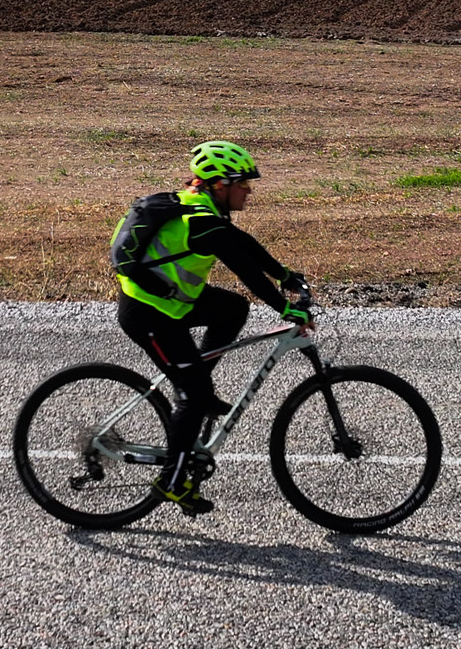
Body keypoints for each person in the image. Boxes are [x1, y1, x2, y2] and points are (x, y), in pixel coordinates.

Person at [108, 140, 313, 517]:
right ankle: (171, 480)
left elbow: (244, 244)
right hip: (148, 314)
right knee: (193, 394)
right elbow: (244, 268)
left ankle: (197, 384)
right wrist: (285, 307)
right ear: (221, 184)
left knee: (233, 309)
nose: (249, 190)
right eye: (243, 183)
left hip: (170, 305)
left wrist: (287, 275)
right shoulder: (200, 221)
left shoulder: (204, 209)